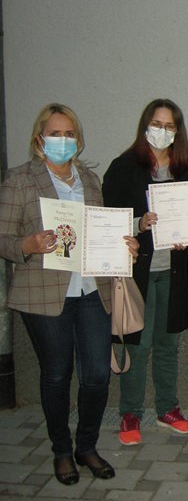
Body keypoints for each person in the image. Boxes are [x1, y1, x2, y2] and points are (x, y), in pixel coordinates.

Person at [0, 104, 138, 485]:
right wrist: (27, 244)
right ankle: (62, 450)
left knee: (96, 375)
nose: (64, 140)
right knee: (57, 373)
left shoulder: (89, 180)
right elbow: (3, 238)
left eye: (70, 133)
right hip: (44, 294)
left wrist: (124, 245)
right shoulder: (20, 179)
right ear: (39, 138)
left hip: (92, 289)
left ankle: (86, 445)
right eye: (55, 133)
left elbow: (101, 230)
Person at [103, 99, 188, 445]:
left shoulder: (186, 168)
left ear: (178, 131)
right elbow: (108, 220)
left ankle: (167, 409)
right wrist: (139, 222)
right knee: (137, 344)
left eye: (169, 126)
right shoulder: (124, 167)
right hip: (138, 272)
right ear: (145, 125)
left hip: (173, 271)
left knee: (167, 343)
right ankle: (130, 412)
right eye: (157, 124)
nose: (163, 131)